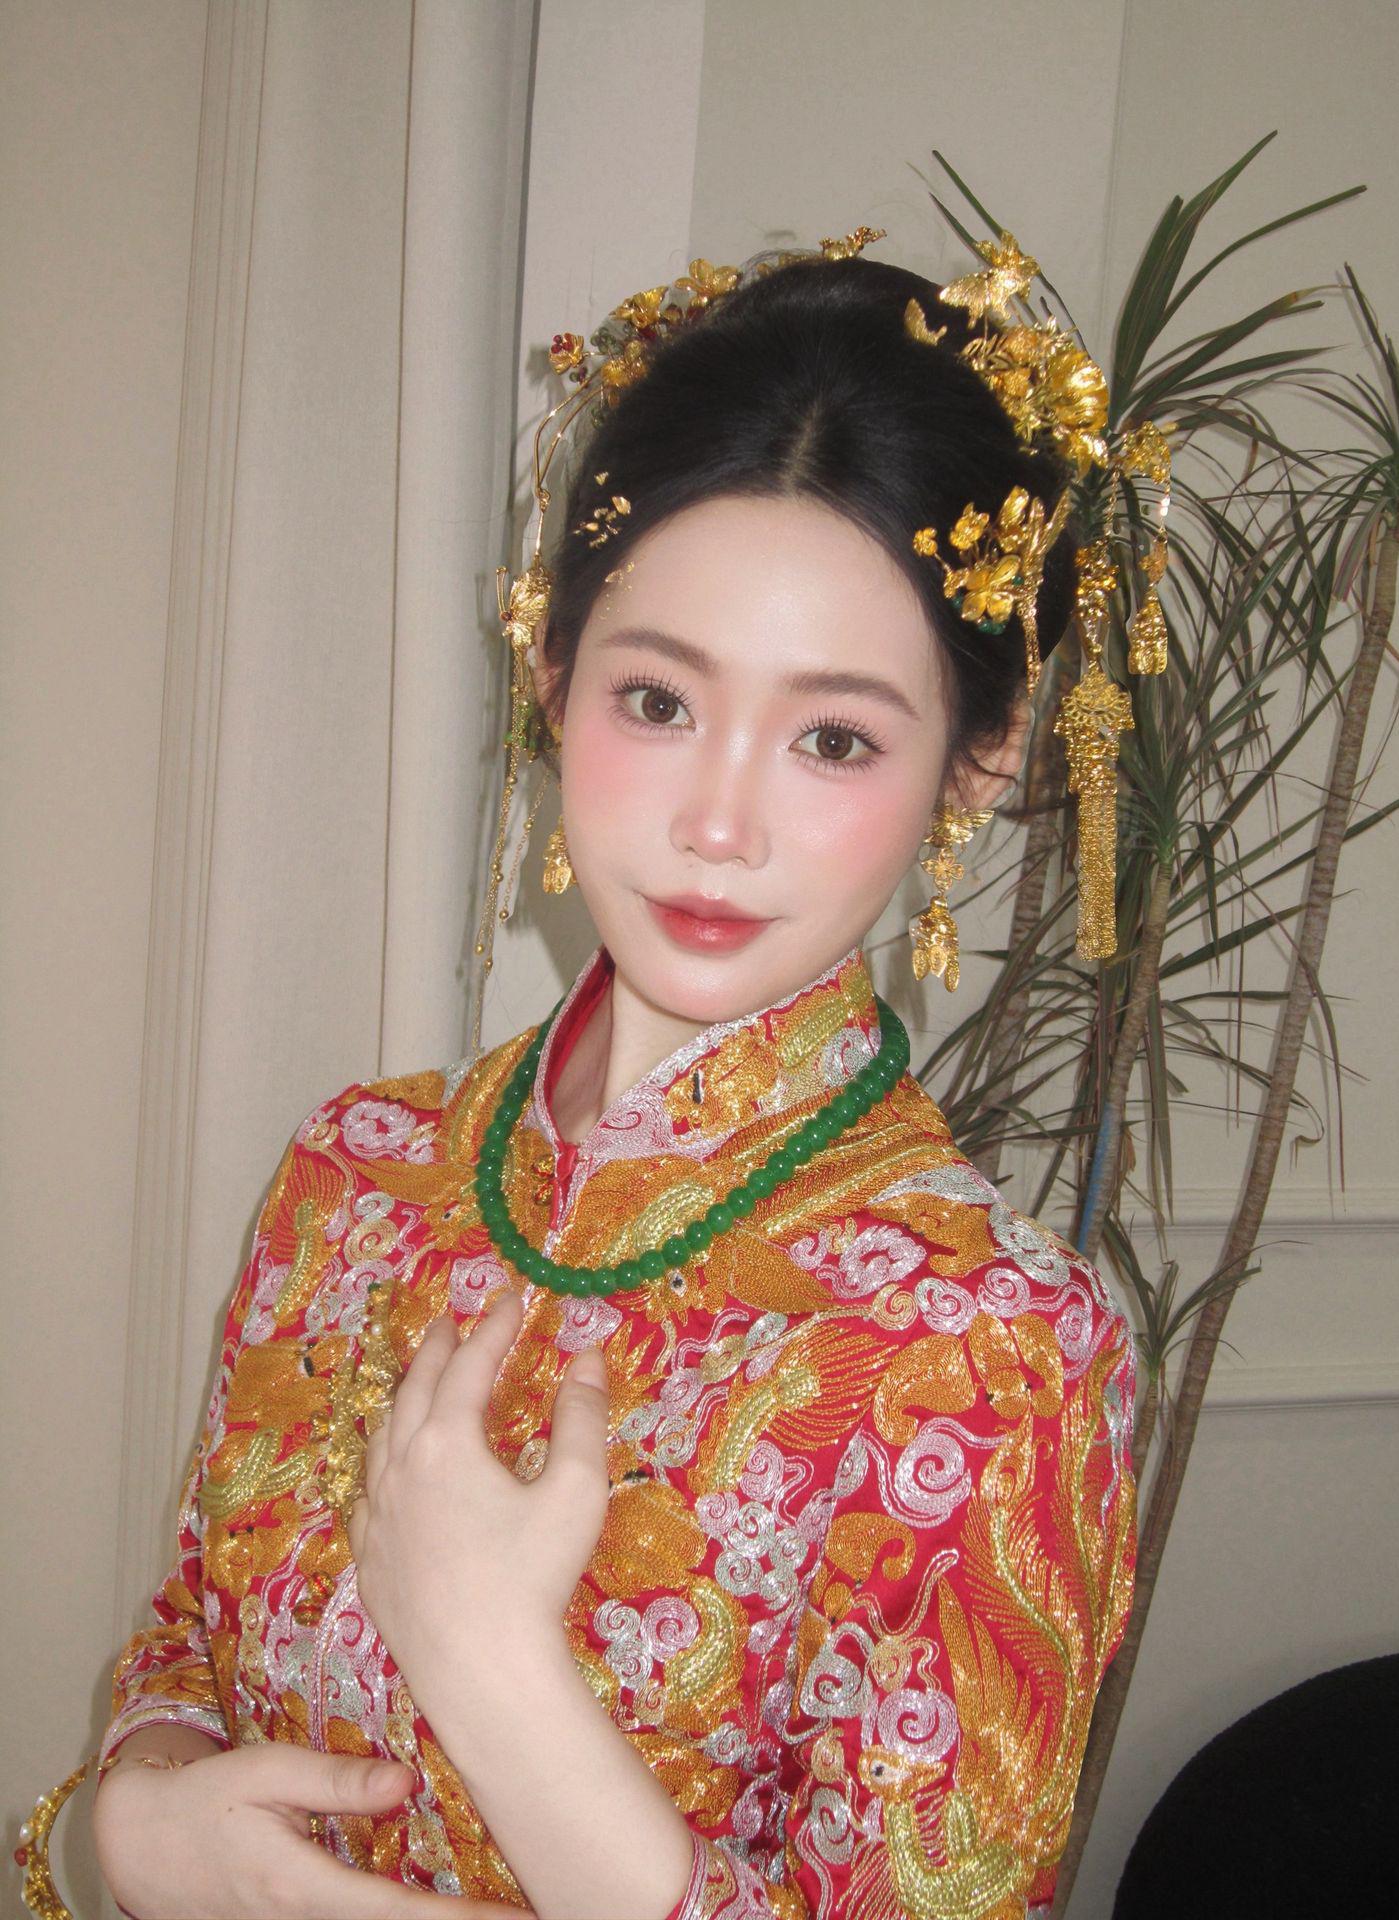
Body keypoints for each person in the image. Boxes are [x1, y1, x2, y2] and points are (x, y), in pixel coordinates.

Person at [66, 231, 1139, 1920]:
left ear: (977, 764)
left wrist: (492, 1665)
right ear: (553, 675)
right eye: (657, 699)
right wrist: (130, 1822)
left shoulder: (989, 1354)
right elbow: (190, 1637)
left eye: (835, 738)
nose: (718, 821)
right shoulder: (354, 1169)